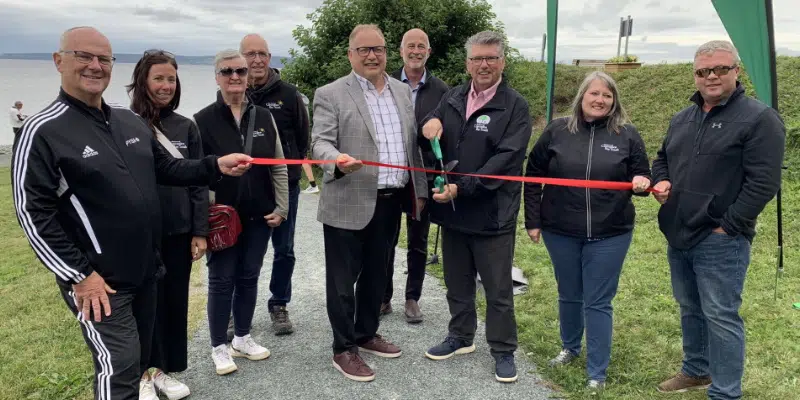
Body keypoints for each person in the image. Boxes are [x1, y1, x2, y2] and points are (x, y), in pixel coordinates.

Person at [10, 26, 252, 400]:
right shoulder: (43, 131)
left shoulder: (127, 120)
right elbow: (32, 214)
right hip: (100, 282)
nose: (95, 65)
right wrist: (79, 275)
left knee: (141, 358)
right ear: (59, 61)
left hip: (147, 268)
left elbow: (168, 169)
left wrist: (216, 164)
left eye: (104, 58)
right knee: (120, 367)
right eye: (83, 56)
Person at [651, 40, 784, 399]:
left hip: (720, 239)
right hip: (679, 231)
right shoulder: (683, 117)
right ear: (695, 75)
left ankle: (725, 392)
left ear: (735, 71)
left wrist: (728, 226)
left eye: (720, 69)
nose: (711, 76)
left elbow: (765, 181)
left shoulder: (759, 118)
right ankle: (696, 370)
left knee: (721, 316)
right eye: (702, 71)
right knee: (689, 307)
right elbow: (662, 158)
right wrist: (661, 179)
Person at [311, 23, 427, 382]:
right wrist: (337, 161)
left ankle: (366, 333)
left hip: (390, 200)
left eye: (377, 49)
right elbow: (320, 144)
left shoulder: (401, 91)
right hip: (348, 198)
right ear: (351, 55)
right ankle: (343, 348)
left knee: (378, 275)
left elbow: (411, 147)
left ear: (386, 53)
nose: (372, 55)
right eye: (363, 50)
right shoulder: (330, 93)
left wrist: (418, 190)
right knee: (343, 281)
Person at [523, 71, 652, 394]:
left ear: (614, 101)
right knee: (568, 293)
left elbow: (642, 176)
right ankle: (570, 347)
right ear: (582, 96)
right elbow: (533, 175)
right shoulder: (556, 131)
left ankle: (597, 370)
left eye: (607, 96)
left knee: (598, 301)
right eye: (594, 94)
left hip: (611, 233)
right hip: (560, 230)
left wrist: (641, 184)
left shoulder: (627, 134)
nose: (600, 100)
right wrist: (533, 220)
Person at [420, 30, 532, 383]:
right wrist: (429, 123)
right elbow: (430, 130)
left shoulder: (515, 106)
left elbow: (507, 160)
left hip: (492, 214)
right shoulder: (452, 97)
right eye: (477, 59)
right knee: (457, 282)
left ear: (502, 61)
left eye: (491, 58)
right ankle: (461, 336)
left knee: (498, 290)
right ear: (467, 63)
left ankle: (502, 349)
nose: (483, 65)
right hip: (454, 212)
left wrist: (462, 187)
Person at [193, 49, 289, 376]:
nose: (235, 77)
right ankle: (218, 345)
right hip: (222, 218)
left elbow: (278, 165)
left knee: (249, 277)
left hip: (259, 215)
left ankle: (243, 337)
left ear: (249, 75)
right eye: (227, 71)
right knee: (221, 281)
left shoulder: (264, 117)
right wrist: (204, 214)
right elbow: (196, 174)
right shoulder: (202, 120)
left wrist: (281, 206)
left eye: (241, 71)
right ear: (217, 76)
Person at [126, 49, 207, 400]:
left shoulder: (186, 126)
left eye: (171, 79)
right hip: (142, 234)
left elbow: (198, 180)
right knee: (143, 306)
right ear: (143, 81)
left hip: (178, 231)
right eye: (158, 78)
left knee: (174, 303)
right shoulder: (123, 123)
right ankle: (141, 373)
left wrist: (200, 230)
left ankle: (164, 370)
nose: (165, 85)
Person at [239, 33, 309, 335]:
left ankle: (279, 303)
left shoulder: (290, 95)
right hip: (245, 188)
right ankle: (237, 308)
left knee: (285, 249)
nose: (256, 60)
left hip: (285, 185)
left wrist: (292, 171)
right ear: (241, 58)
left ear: (270, 58)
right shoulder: (234, 92)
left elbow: (303, 138)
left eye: (262, 54)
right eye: (250, 54)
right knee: (241, 250)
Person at [382, 28, 449, 323]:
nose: (416, 51)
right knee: (384, 238)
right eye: (411, 46)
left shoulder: (442, 90)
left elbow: (447, 134)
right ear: (401, 51)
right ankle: (383, 297)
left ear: (429, 52)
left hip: (422, 172)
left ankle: (412, 298)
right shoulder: (383, 83)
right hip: (390, 171)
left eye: (422, 46)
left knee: (418, 240)